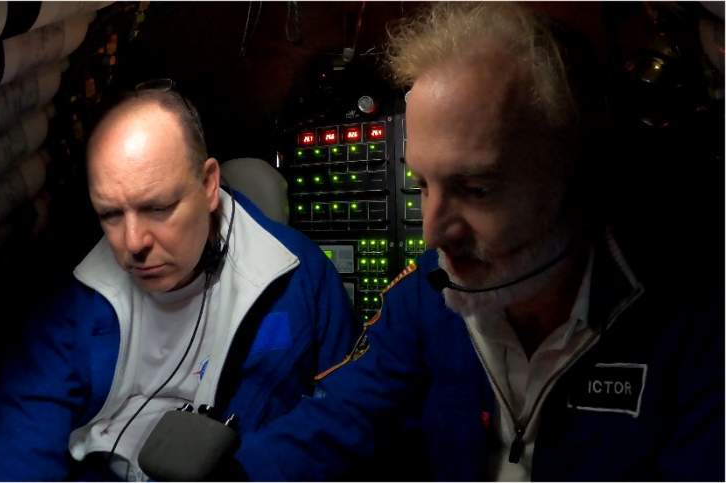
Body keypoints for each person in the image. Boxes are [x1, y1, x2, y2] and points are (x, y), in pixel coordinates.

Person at [231, 3, 724, 480]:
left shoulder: (692, 319)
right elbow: (336, 420)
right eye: (424, 186)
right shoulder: (425, 295)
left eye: (476, 189)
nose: (433, 233)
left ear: (579, 176)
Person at [0, 85, 356, 480]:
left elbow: (347, 417)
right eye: (111, 214)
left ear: (208, 184)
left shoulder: (298, 277)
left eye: (157, 208)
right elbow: (13, 450)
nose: (133, 242)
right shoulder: (68, 309)